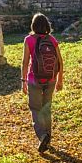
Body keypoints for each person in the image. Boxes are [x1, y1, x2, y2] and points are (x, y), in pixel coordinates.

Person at [21, 13, 64, 153]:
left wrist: (23, 81)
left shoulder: (29, 39)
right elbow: (60, 60)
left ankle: (42, 136)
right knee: (46, 109)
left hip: (34, 80)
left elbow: (25, 62)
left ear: (33, 25)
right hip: (51, 79)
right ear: (47, 25)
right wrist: (60, 79)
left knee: (35, 109)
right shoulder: (52, 39)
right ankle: (48, 138)